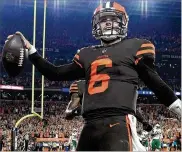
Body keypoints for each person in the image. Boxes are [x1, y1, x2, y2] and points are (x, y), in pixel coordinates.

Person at [5, 1, 181, 151]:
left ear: (123, 22)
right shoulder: (87, 54)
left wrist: (179, 110)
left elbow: (156, 84)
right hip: (90, 125)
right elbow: (55, 73)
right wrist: (31, 51)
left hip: (118, 121)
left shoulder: (135, 47)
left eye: (113, 19)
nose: (108, 24)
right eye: (103, 20)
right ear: (96, 24)